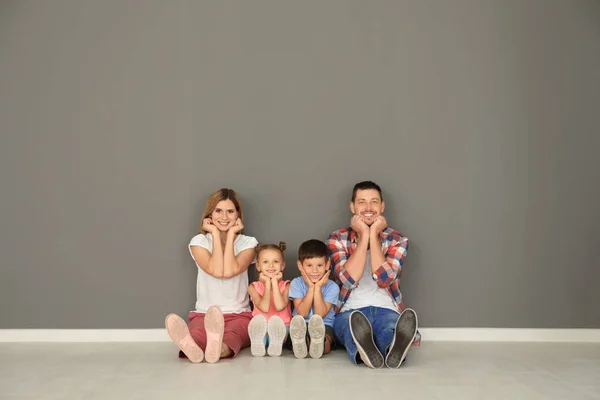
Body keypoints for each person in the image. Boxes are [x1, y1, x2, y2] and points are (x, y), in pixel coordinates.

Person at [329, 181, 420, 369]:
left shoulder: (398, 240)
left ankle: (393, 350)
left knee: (387, 329)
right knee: (350, 331)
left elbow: (384, 279)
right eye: (362, 202)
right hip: (348, 311)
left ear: (382, 206)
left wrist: (374, 235)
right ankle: (364, 352)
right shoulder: (337, 238)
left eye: (374, 202)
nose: (368, 208)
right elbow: (348, 280)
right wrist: (364, 236)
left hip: (386, 308)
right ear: (352, 206)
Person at [164, 188, 258, 363]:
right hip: (204, 314)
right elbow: (215, 271)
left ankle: (217, 348)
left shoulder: (248, 243)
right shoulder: (199, 242)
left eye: (230, 211)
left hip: (239, 314)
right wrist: (215, 234)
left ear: (238, 214)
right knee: (196, 334)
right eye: (218, 211)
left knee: (233, 336)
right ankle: (198, 348)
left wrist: (230, 236)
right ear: (210, 214)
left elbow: (228, 272)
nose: (224, 217)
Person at [288, 239, 340, 359]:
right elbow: (302, 313)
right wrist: (311, 287)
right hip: (300, 325)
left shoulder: (332, 287)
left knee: (326, 341)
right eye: (309, 265)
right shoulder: (296, 283)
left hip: (323, 325)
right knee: (298, 337)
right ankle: (303, 343)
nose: (315, 270)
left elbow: (320, 313)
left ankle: (319, 342)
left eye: (320, 265)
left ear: (327, 265)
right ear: (300, 265)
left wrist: (318, 288)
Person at [247, 242, 292, 357]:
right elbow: (264, 307)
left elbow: (279, 306)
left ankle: (274, 343)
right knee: (260, 332)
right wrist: (268, 284)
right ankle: (260, 343)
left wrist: (275, 284)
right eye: (265, 262)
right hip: (261, 325)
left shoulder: (287, 285)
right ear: (258, 266)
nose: (271, 266)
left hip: (282, 325)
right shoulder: (253, 287)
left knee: (276, 330)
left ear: (282, 265)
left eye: (275, 261)